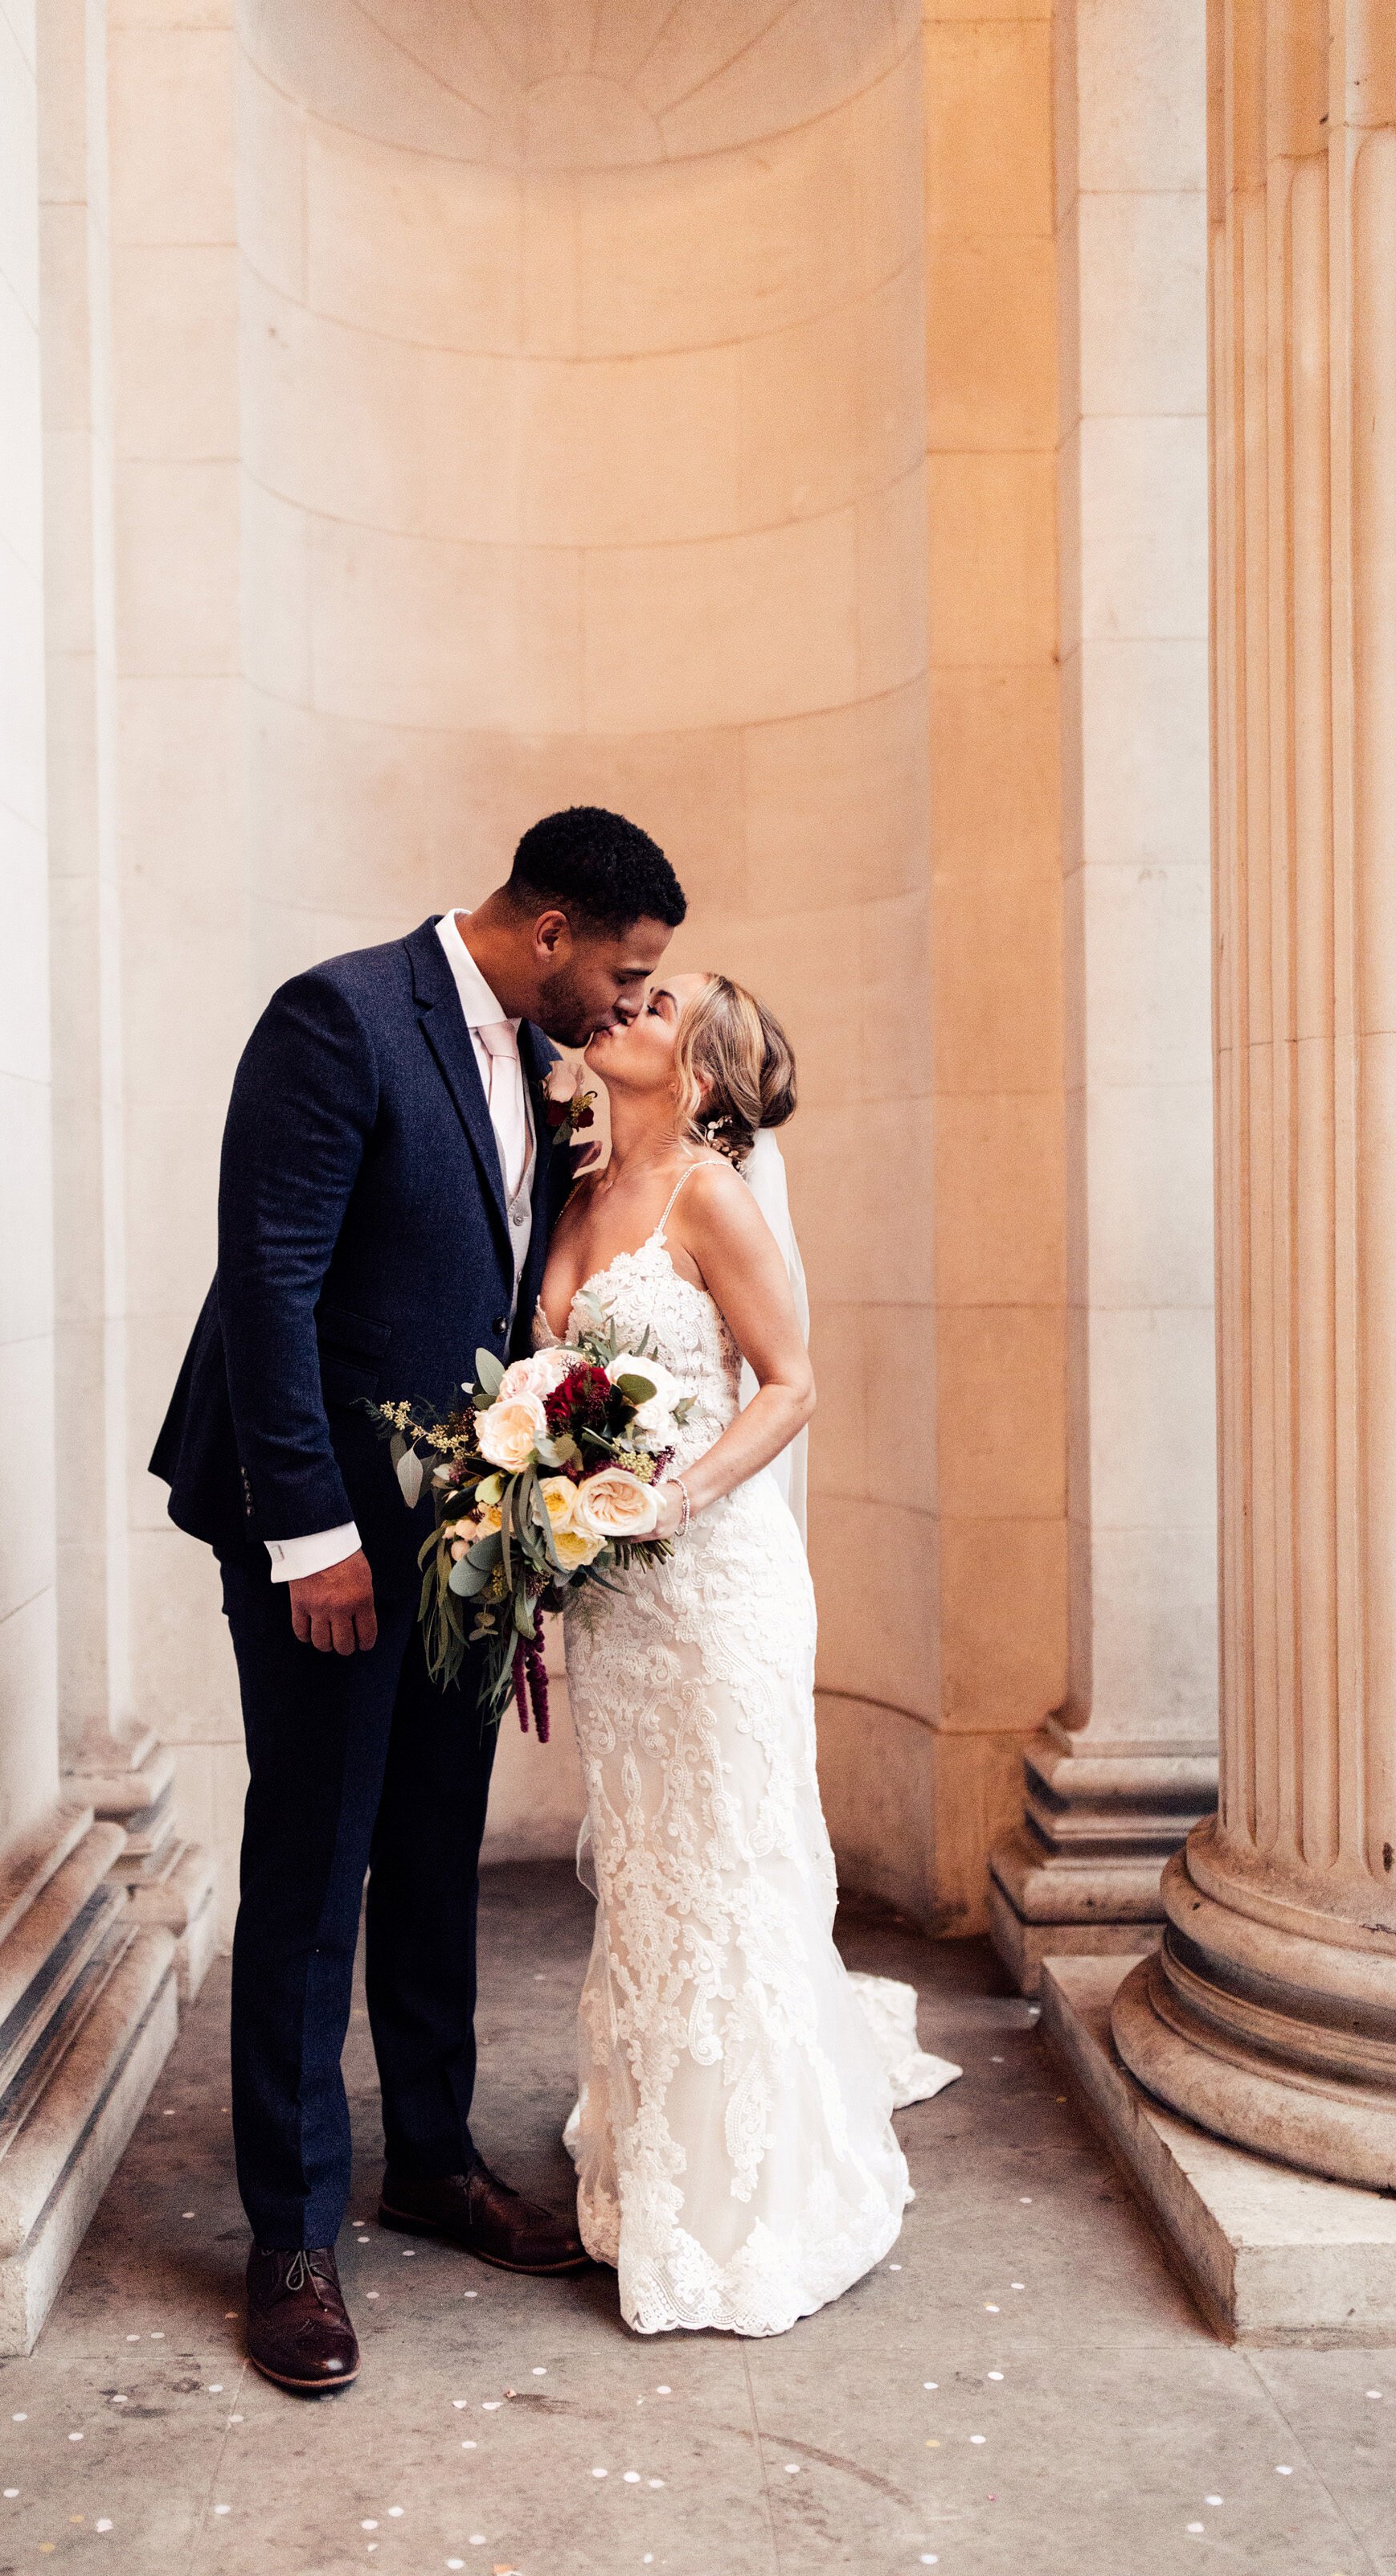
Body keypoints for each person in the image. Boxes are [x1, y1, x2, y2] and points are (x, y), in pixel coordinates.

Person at [149, 808, 686, 2393]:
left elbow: (518, 1309)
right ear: (546, 933)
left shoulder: (534, 1059)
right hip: (318, 1528)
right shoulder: (337, 1018)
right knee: (315, 1868)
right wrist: (305, 1531)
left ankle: (432, 2160)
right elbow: (272, 1284)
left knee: (433, 1851)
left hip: (466, 1537)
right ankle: (293, 2232)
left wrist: (556, 1509)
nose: (627, 1005)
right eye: (621, 971)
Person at [538, 973, 960, 2337]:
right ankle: (651, 2141)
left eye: (659, 1006)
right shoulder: (578, 1190)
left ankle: (750, 2197)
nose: (623, 1008)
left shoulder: (710, 1196)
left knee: (724, 1865)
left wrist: (675, 1498)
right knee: (650, 1867)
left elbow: (793, 1384)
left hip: (714, 1589)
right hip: (616, 1608)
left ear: (703, 1075)